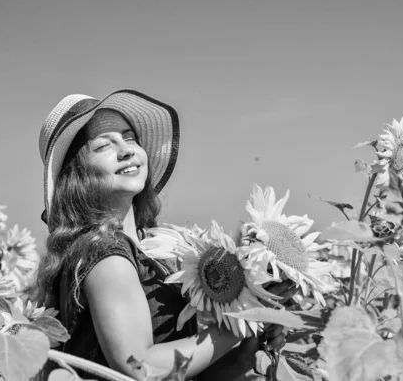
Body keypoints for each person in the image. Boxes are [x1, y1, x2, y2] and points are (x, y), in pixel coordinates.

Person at [34, 89, 293, 380]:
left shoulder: (140, 248)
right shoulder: (105, 252)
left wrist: (248, 346)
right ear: (78, 176)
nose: (126, 149)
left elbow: (179, 374)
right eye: (104, 146)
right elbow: (141, 368)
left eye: (130, 138)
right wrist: (240, 321)